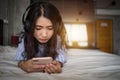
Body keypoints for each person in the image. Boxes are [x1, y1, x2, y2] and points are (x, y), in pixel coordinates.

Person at [14, 1, 67, 74]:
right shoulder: (25, 37)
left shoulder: (57, 38)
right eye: (38, 28)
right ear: (28, 26)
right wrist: (23, 65)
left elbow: (61, 54)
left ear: (56, 27)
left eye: (50, 28)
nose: (44, 35)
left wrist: (59, 63)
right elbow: (20, 59)